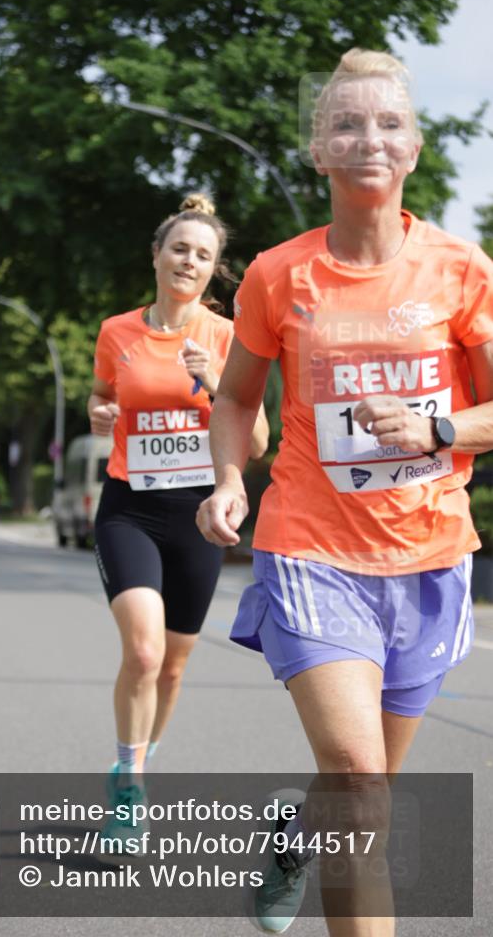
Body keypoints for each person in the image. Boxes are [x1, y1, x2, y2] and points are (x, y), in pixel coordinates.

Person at [197, 49, 493, 936]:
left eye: (389, 123)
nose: (369, 138)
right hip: (311, 552)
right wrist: (225, 478)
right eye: (346, 123)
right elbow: (238, 397)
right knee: (361, 787)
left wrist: (439, 429)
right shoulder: (278, 276)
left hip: (429, 557)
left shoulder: (461, 270)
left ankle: (295, 833)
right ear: (316, 149)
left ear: (413, 149)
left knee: (360, 800)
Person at [88, 193, 269, 852]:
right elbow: (104, 397)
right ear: (157, 255)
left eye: (203, 254)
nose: (188, 261)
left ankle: (138, 758)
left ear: (213, 269)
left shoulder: (226, 336)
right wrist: (98, 414)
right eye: (178, 248)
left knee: (171, 668)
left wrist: (220, 380)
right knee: (143, 650)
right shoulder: (116, 332)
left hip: (197, 512)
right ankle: (128, 784)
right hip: (128, 507)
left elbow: (257, 443)